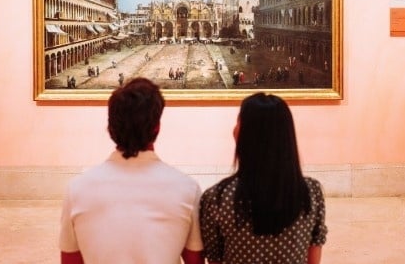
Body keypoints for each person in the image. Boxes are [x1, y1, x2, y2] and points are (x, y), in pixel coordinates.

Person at [59, 78, 204, 264]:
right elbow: (195, 261)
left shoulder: (77, 190)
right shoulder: (187, 189)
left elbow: (70, 260)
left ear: (110, 128)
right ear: (157, 127)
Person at [199, 93, 327, 264]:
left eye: (238, 121)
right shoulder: (311, 192)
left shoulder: (217, 198)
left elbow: (215, 259)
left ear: (242, 135)